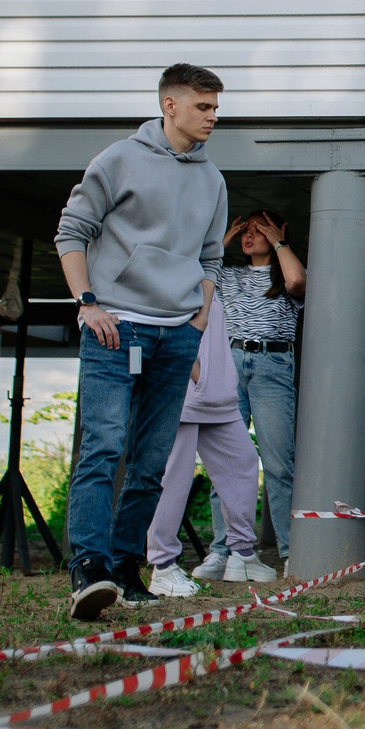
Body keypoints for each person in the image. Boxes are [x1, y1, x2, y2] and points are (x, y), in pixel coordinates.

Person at [55, 63, 230, 621]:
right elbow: (71, 231)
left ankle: (128, 570)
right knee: (104, 448)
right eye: (203, 107)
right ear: (170, 105)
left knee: (151, 461)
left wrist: (198, 324)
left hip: (177, 334)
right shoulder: (119, 159)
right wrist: (87, 302)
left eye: (216, 108)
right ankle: (89, 568)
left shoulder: (212, 179)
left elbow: (210, 258)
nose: (212, 117)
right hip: (114, 327)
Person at [145, 295, 274, 595]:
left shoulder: (208, 274)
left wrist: (211, 382)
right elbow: (165, 324)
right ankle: (162, 565)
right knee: (175, 477)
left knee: (242, 461)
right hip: (186, 388)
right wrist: (197, 374)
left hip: (217, 394)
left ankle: (242, 554)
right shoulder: (177, 271)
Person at [215, 209, 302, 566]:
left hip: (273, 364)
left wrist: (279, 240)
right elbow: (196, 274)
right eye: (245, 231)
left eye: (258, 230)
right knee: (225, 460)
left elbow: (297, 282)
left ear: (276, 232)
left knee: (279, 462)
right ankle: (223, 549)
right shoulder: (230, 274)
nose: (249, 236)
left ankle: (289, 551)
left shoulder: (287, 276)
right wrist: (223, 240)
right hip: (231, 361)